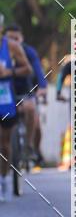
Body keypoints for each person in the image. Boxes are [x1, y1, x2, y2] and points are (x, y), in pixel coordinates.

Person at [4, 24, 48, 165]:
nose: (13, 42)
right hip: (5, 91)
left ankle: (29, 146)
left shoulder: (29, 52)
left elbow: (38, 70)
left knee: (31, 111)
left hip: (24, 90)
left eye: (16, 38)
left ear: (22, 38)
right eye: (10, 38)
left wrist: (43, 87)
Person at [0, 14, 33, 201]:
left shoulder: (11, 46)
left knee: (4, 144)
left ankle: (3, 178)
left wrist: (9, 71)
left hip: (5, 99)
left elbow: (27, 68)